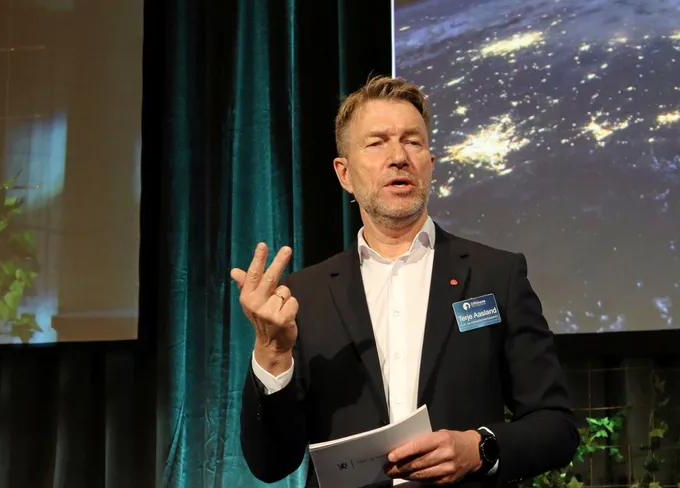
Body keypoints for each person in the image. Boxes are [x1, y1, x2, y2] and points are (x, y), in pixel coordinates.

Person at [234, 76, 578, 487]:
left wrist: (480, 448)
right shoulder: (304, 296)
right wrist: (272, 354)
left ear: (431, 164)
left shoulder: (495, 276)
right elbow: (270, 464)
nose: (398, 157)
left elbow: (556, 426)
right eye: (377, 143)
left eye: (412, 142)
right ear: (344, 174)